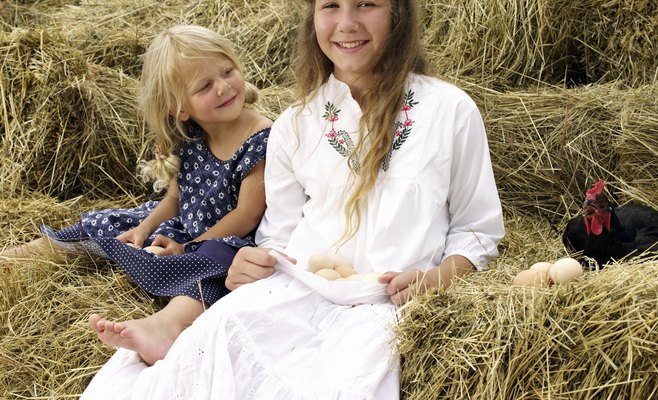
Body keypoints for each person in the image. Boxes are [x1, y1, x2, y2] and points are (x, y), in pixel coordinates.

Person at [81, 0, 504, 398]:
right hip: (293, 290)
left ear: (398, 15)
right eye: (330, 6)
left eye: (367, 4)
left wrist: (439, 278)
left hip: (385, 305)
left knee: (341, 383)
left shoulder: (449, 111)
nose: (347, 23)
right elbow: (278, 233)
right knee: (207, 351)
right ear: (313, 19)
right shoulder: (295, 124)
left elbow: (476, 229)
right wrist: (254, 260)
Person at [2, 25, 272, 366]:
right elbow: (175, 199)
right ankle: (39, 251)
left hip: (223, 238)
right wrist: (144, 229)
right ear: (181, 109)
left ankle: (167, 325)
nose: (223, 87)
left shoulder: (260, 137)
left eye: (227, 71)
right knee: (117, 218)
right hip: (183, 226)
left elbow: (246, 216)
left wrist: (189, 247)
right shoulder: (191, 136)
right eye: (204, 86)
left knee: (217, 267)